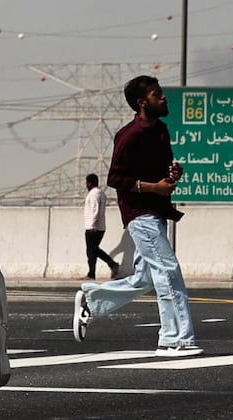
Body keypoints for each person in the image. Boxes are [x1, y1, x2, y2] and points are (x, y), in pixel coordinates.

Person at [71, 76, 201, 356]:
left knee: (147, 278)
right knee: (168, 270)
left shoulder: (162, 131)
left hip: (157, 212)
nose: (163, 97)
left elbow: (164, 166)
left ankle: (92, 301)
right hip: (139, 215)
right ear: (142, 102)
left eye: (162, 92)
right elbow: (115, 177)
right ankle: (173, 338)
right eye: (157, 94)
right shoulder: (129, 135)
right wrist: (153, 187)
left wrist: (173, 173)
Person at [82, 173, 120, 280]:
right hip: (99, 226)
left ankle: (92, 273)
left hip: (93, 227)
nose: (86, 185)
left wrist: (93, 224)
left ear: (90, 183)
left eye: (86, 183)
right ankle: (110, 265)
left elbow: (95, 210)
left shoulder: (94, 194)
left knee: (91, 251)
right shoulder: (101, 193)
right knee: (94, 250)